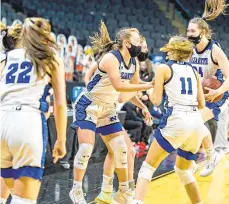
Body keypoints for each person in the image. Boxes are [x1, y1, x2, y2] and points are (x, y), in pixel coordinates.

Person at [69, 21, 153, 204]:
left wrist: (143, 106)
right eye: (137, 40)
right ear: (126, 43)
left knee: (121, 149)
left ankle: (123, 192)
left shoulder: (134, 65)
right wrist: (149, 85)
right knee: (86, 148)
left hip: (108, 108)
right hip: (89, 105)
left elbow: (128, 92)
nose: (140, 44)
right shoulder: (111, 58)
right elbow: (119, 85)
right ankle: (76, 190)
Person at [133, 35, 208, 204]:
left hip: (177, 119)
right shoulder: (194, 71)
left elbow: (157, 101)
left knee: (147, 167)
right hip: (196, 122)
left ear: (172, 50)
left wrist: (151, 92)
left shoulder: (163, 68)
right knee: (183, 171)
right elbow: (202, 104)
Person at [0, 18, 67, 204]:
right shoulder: (50, 57)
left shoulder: (5, 57)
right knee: (23, 200)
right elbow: (60, 104)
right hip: (27, 123)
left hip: (2, 120)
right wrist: (61, 140)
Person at [187, 0, 229, 176]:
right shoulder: (190, 49)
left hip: (219, 92)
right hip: (200, 93)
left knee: (196, 121)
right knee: (188, 123)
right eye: (187, 30)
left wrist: (217, 91)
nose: (188, 33)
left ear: (203, 32)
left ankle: (214, 154)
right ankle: (193, 160)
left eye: (192, 30)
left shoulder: (215, 50)